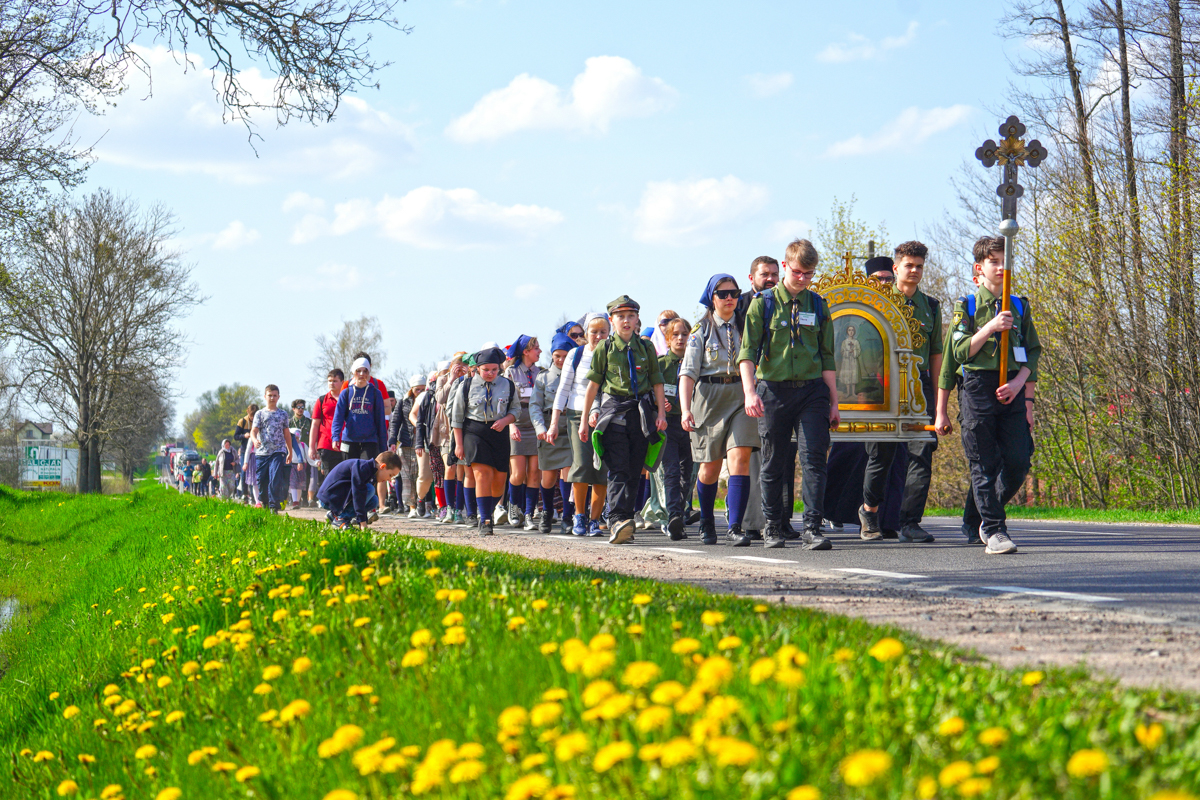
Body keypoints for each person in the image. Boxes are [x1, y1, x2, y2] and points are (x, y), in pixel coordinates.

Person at [739, 238, 838, 550]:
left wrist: (834, 402)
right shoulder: (763, 303)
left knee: (813, 460)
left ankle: (812, 527)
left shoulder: (818, 305)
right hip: (773, 392)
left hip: (812, 392)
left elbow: (827, 358)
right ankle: (772, 526)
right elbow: (747, 353)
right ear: (785, 266)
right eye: (798, 273)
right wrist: (750, 392)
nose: (804, 279)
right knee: (773, 461)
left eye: (809, 274)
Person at [943, 235, 1040, 555]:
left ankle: (987, 513)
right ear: (979, 267)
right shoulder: (967, 305)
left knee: (1017, 461)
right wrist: (990, 328)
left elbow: (1031, 353)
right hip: (978, 388)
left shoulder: (1020, 305)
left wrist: (1019, 385)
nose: (1001, 267)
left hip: (1010, 387)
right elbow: (959, 351)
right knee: (983, 463)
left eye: (1005, 261)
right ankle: (995, 529)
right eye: (994, 261)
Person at [858, 241, 943, 544]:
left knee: (922, 451)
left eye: (919, 266)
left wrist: (937, 395)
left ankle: (910, 522)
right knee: (882, 454)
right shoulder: (877, 303)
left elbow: (936, 354)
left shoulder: (931, 306)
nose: (915, 271)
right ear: (895, 269)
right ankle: (869, 511)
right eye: (909, 265)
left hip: (919, 386)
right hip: (884, 384)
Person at [580, 295, 667, 546]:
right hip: (614, 415)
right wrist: (585, 420)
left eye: (631, 316)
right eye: (620, 317)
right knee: (618, 468)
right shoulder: (604, 349)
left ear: (638, 319)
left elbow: (657, 381)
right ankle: (617, 518)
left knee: (634, 470)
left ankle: (625, 521)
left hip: (640, 416)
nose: (626, 321)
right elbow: (593, 386)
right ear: (612, 320)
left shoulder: (646, 348)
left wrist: (660, 413)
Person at [681, 274, 760, 547]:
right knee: (710, 468)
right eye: (723, 294)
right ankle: (706, 520)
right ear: (712, 299)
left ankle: (735, 527)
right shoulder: (700, 331)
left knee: (740, 458)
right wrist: (685, 410)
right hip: (709, 399)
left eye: (734, 294)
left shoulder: (746, 326)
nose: (730, 299)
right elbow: (688, 374)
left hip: (741, 395)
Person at [549, 313, 611, 537]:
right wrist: (554, 423)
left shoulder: (612, 355)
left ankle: (595, 519)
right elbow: (563, 390)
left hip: (605, 415)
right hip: (577, 415)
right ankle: (579, 515)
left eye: (603, 331)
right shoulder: (576, 355)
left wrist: (598, 410)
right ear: (586, 334)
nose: (598, 336)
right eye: (594, 332)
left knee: (601, 469)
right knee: (583, 466)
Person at [451, 346, 518, 536]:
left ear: (499, 368)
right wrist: (459, 444)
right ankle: (485, 518)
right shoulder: (466, 385)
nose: (490, 373)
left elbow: (516, 411)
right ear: (478, 368)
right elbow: (456, 417)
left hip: (499, 434)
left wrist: (506, 420)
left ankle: (488, 509)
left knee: (499, 480)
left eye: (494, 369)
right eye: (486, 369)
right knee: (482, 474)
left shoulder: (508, 385)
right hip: (474, 432)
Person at [530, 330, 575, 534]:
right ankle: (547, 511)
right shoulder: (543, 378)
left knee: (568, 473)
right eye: (557, 356)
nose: (561, 360)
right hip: (550, 428)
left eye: (565, 356)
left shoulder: (577, 376)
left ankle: (567, 515)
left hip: (570, 426)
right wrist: (541, 428)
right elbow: (535, 406)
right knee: (548, 477)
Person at [658, 316, 693, 540]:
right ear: (668, 339)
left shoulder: (696, 362)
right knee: (671, 472)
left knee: (687, 475)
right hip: (668, 425)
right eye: (676, 335)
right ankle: (673, 516)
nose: (680, 338)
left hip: (691, 425)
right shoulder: (660, 364)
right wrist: (659, 402)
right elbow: (649, 390)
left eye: (684, 334)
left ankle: (681, 513)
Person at [504, 335, 543, 530]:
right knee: (518, 473)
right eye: (536, 348)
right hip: (517, 424)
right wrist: (511, 425)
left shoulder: (541, 373)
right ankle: (514, 506)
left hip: (536, 424)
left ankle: (529, 514)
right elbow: (505, 403)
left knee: (534, 473)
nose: (540, 351)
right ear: (526, 352)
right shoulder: (510, 373)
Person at [318, 451, 402, 530]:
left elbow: (360, 501)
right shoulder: (362, 468)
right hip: (328, 498)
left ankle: (334, 515)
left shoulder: (371, 473)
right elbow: (358, 496)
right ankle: (341, 519)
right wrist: (362, 523)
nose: (389, 479)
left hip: (337, 499)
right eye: (390, 475)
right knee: (369, 490)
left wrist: (362, 520)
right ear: (382, 466)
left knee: (374, 500)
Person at [331, 358, 387, 460]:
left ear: (369, 373)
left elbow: (381, 422)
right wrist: (335, 437)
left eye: (365, 371)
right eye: (358, 371)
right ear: (353, 372)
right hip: (349, 440)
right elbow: (338, 417)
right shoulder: (346, 393)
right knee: (350, 471)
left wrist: (383, 448)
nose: (362, 374)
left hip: (369, 440)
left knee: (365, 470)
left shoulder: (375, 393)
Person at [250, 384, 293, 512]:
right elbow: (254, 431)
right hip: (262, 452)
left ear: (278, 397)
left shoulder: (283, 414)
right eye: (270, 395)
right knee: (262, 481)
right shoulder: (260, 414)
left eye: (275, 395)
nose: (272, 398)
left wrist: (290, 451)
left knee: (275, 478)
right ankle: (264, 501)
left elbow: (287, 434)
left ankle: (274, 506)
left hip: (278, 451)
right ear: (265, 396)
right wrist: (254, 440)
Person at [389, 375, 423, 513]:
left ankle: (422, 503)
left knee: (420, 474)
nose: (420, 392)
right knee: (407, 476)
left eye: (423, 389)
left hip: (422, 442)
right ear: (411, 389)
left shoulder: (428, 400)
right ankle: (411, 506)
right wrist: (392, 440)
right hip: (406, 442)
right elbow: (395, 421)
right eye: (417, 389)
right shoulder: (403, 402)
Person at [309, 369, 344, 500]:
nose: (332, 384)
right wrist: (312, 447)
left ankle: (340, 502)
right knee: (330, 475)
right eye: (329, 381)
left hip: (345, 443)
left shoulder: (347, 398)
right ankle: (330, 503)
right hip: (326, 444)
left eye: (335, 381)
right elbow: (315, 425)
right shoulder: (322, 400)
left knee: (343, 475)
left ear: (342, 382)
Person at [289, 399, 312, 507]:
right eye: (298, 407)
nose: (301, 409)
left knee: (306, 475)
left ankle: (304, 497)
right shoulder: (289, 422)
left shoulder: (308, 422)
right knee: (292, 477)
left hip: (306, 453)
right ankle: (292, 498)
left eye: (302, 407)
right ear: (293, 409)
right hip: (292, 454)